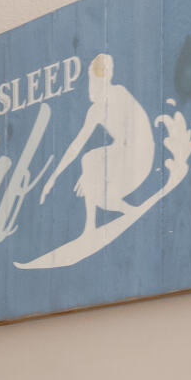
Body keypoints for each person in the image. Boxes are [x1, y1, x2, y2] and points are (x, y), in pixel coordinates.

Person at [37, 53, 155, 241]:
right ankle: (122, 213)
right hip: (126, 157)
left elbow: (136, 138)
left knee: (89, 162)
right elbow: (76, 145)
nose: (92, 86)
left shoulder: (120, 94)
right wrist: (53, 177)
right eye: (92, 79)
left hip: (141, 156)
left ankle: (90, 227)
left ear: (104, 77)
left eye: (94, 79)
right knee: (100, 194)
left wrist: (98, 171)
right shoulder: (96, 111)